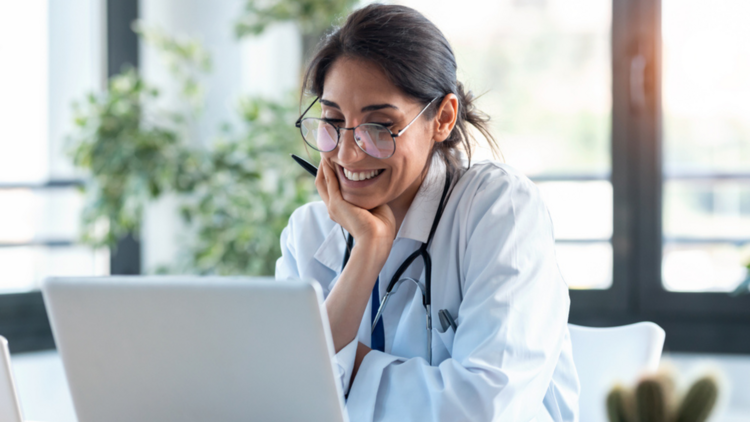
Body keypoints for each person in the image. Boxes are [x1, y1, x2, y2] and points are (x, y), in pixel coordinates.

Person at [276, 4, 579, 421]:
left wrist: (346, 368)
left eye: (379, 126)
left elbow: (484, 410)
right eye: (332, 120)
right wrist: (368, 250)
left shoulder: (498, 209)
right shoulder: (308, 234)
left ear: (443, 118)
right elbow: (284, 402)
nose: (347, 153)